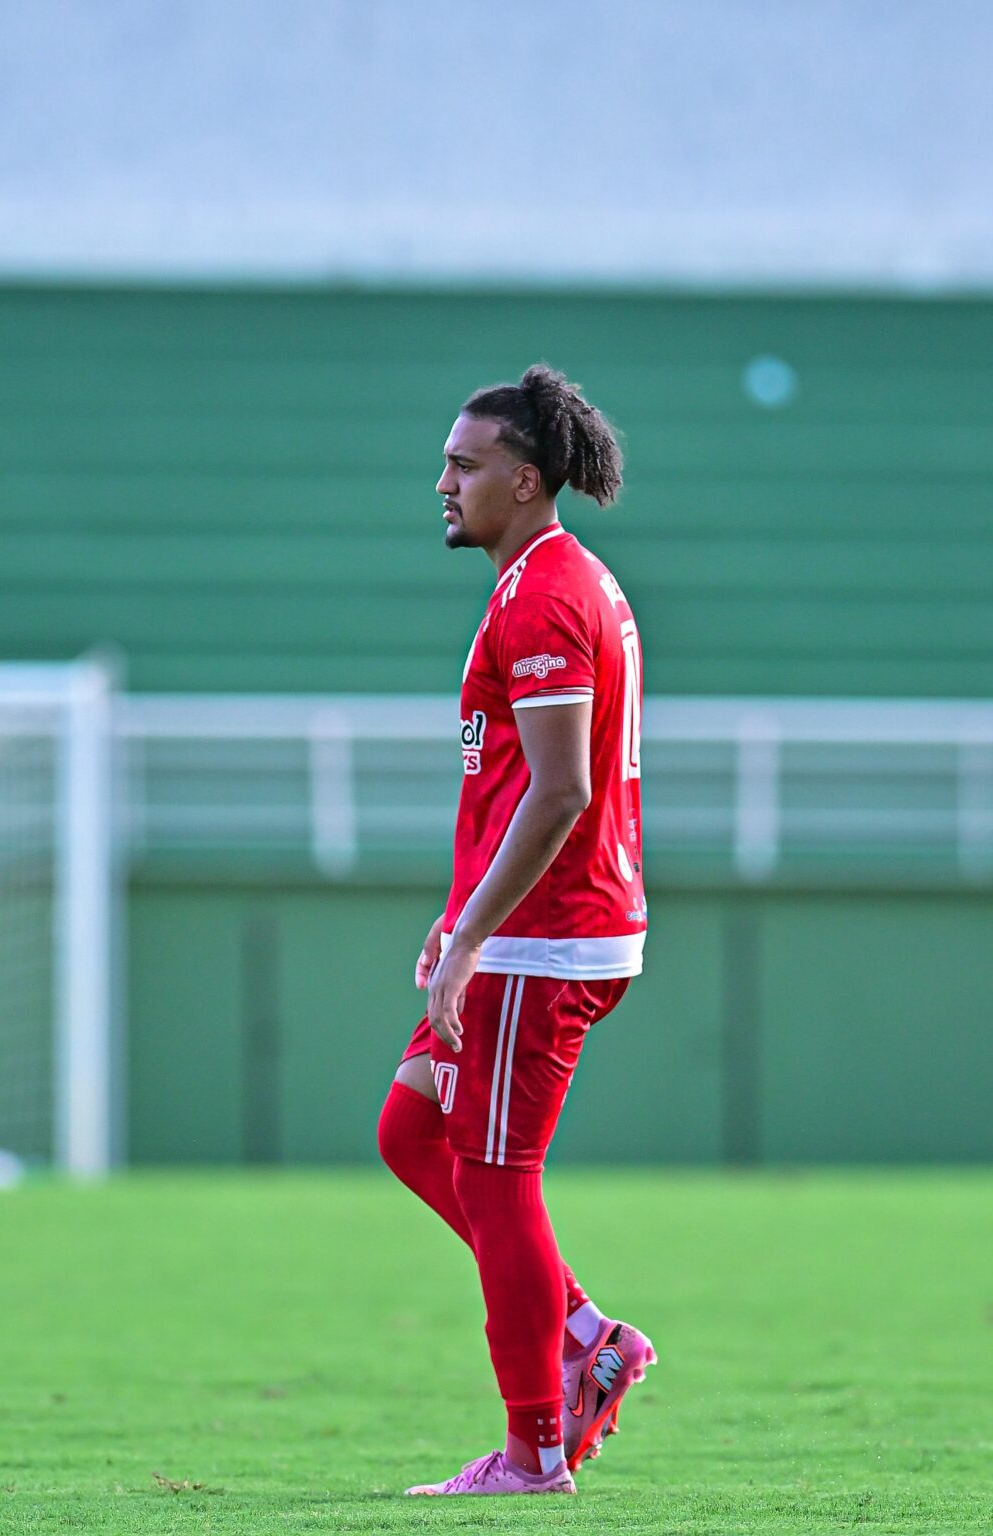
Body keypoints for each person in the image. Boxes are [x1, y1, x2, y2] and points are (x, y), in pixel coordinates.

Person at [376, 364, 656, 1497]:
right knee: (410, 1130)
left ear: (526, 479)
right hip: (522, 930)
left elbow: (556, 792)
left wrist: (474, 939)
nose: (442, 481)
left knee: (497, 1181)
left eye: (464, 464)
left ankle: (534, 1452)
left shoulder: (543, 596)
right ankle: (587, 1337)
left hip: (541, 941)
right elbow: (510, 788)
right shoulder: (538, 582)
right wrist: (456, 923)